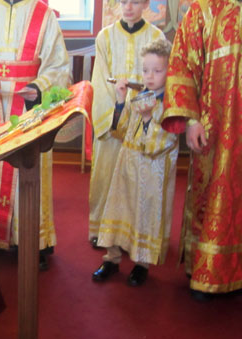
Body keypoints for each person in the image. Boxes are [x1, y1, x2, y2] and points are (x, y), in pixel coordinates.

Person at [0, 0, 70, 270]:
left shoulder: (44, 15)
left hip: (30, 107)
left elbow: (58, 64)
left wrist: (38, 86)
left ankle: (33, 240)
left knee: (30, 169)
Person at [161, 0, 242, 302]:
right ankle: (208, 269)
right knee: (213, 194)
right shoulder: (204, 9)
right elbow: (182, 61)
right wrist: (192, 119)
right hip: (217, 127)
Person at [92, 38, 178, 286]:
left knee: (145, 215)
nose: (149, 76)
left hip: (153, 172)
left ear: (169, 71)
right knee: (120, 209)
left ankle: (141, 264)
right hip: (126, 167)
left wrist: (150, 117)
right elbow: (120, 132)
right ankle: (112, 258)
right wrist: (120, 100)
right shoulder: (139, 95)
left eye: (157, 71)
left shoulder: (172, 104)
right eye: (145, 70)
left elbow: (162, 143)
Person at [88, 0, 164, 249]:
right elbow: (99, 81)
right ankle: (103, 230)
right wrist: (115, 118)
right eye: (124, 2)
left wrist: (145, 114)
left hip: (146, 120)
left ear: (145, 4)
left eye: (135, 2)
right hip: (113, 119)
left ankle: (136, 235)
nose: (128, 7)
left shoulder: (156, 36)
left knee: (140, 180)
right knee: (107, 177)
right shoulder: (105, 36)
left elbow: (163, 81)